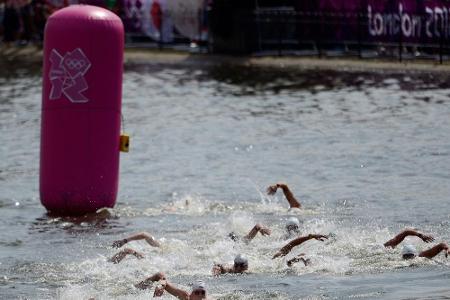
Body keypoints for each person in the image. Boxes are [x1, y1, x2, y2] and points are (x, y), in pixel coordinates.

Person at [136, 272, 208, 300]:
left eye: (203, 293)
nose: (200, 295)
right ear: (192, 293)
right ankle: (137, 287)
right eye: (197, 293)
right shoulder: (185, 296)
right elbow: (160, 276)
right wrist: (161, 285)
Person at [384, 229, 449, 259]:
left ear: (402, 255)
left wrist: (447, 249)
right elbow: (441, 245)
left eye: (409, 257)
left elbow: (406, 232)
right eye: (407, 257)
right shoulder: (420, 256)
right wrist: (447, 249)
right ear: (415, 255)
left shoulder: (393, 259)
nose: (408, 259)